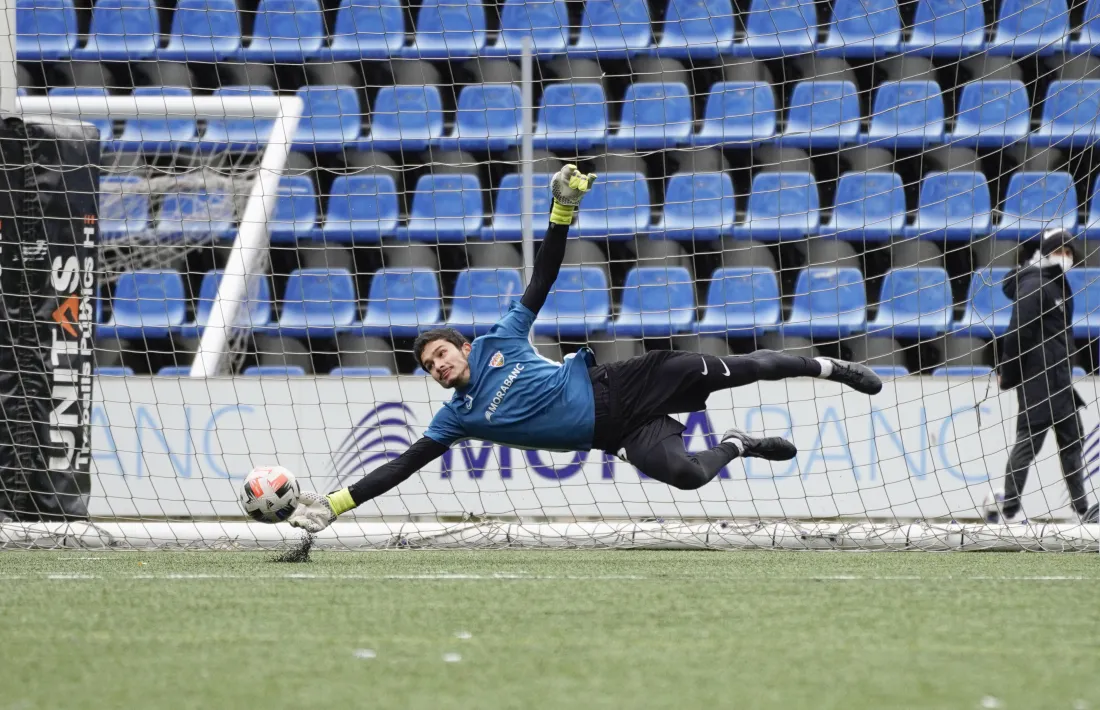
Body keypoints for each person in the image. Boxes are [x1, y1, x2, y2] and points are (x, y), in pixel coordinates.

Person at [288, 164, 884, 533]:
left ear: (461, 346)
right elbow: (401, 466)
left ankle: (832, 366)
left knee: (749, 369)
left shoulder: (500, 340)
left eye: (441, 355)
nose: (438, 369)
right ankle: (737, 443)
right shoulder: (455, 419)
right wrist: (336, 504)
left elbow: (541, 280)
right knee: (686, 477)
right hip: (615, 433)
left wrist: (561, 211)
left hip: (628, 382)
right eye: (429, 368)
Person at [990, 228, 1098, 523]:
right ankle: (1009, 510)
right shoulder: (1035, 284)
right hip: (1038, 383)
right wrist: (1008, 373)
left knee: (1073, 444)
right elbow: (1017, 333)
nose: (1065, 257)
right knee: (1027, 445)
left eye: (1069, 253)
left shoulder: (1059, 286)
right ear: (1046, 253)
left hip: (1060, 384)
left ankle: (1082, 510)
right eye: (1060, 251)